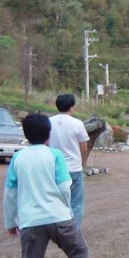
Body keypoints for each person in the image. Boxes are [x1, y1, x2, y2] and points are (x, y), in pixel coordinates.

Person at [3, 113, 104, 258]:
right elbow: (65, 187)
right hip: (59, 217)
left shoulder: (18, 158)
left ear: (26, 134)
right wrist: (66, 210)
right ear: (49, 134)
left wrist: (11, 222)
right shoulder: (55, 155)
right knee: (78, 252)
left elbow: (10, 193)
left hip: (31, 222)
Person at [48, 94, 89, 229]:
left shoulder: (49, 122)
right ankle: (73, 230)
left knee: (56, 199)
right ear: (72, 107)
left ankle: (56, 228)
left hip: (55, 167)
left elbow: (46, 143)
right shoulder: (77, 123)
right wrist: (83, 161)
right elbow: (84, 146)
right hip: (74, 168)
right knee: (76, 202)